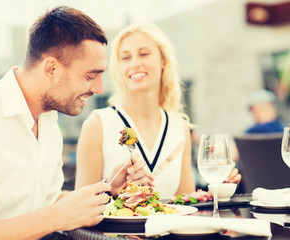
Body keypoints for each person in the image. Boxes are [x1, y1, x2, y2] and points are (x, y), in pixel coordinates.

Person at [0, 6, 150, 240]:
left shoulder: (48, 121)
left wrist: (108, 188)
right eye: (90, 76)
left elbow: (46, 201)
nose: (99, 89)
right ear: (51, 68)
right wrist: (55, 218)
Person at [75, 23, 241, 199]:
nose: (135, 63)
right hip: (114, 228)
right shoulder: (98, 123)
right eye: (125, 58)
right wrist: (112, 190)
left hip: (169, 228)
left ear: (163, 61)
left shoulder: (179, 127)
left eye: (144, 54)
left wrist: (217, 191)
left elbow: (185, 203)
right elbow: (79, 205)